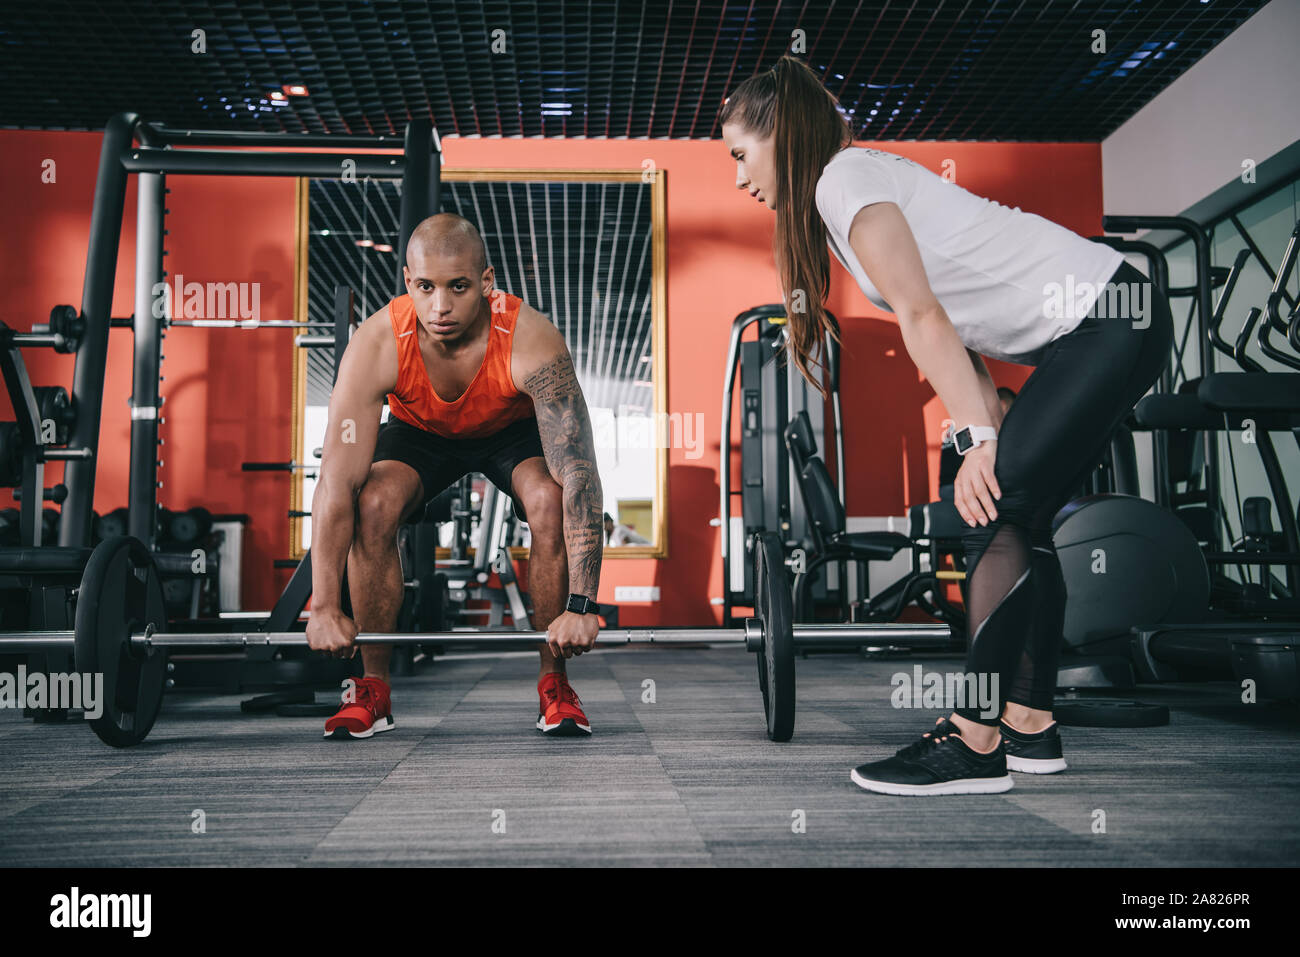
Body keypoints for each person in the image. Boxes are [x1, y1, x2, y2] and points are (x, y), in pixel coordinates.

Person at [720, 57, 1172, 795]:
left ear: (783, 133)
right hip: (1110, 321)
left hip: (1108, 316)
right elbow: (945, 314)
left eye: (742, 154)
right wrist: (982, 417)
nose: (739, 178)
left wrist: (982, 441)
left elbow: (922, 315)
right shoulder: (846, 188)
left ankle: (973, 738)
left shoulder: (841, 179)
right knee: (1021, 519)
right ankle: (1028, 722)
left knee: (995, 511)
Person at [306, 213, 606, 739]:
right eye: (425, 287)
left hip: (509, 430)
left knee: (549, 498)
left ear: (486, 284)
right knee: (372, 502)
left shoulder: (531, 338)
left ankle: (554, 683)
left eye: (458, 287)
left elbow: (580, 473)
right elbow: (336, 481)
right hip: (420, 431)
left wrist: (583, 606)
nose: (439, 307)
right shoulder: (378, 342)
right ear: (407, 282)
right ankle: (372, 688)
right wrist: (325, 606)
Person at [939, 387, 1017, 494]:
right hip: (963, 488)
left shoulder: (959, 422)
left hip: (947, 486)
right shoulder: (982, 424)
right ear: (1003, 406)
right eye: (1012, 412)